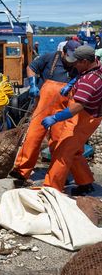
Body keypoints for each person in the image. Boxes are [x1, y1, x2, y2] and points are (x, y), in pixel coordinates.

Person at [11, 40, 87, 185]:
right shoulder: (50, 57)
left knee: (59, 141)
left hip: (63, 110)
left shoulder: (79, 64)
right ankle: (21, 170)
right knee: (33, 136)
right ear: (64, 52)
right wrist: (33, 85)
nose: (72, 63)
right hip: (43, 106)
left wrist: (72, 84)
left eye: (74, 60)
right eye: (69, 58)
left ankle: (58, 175)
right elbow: (31, 67)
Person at [42, 45, 102, 195]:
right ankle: (85, 182)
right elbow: (85, 76)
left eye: (76, 62)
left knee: (62, 152)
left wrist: (55, 118)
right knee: (75, 151)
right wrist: (73, 81)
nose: (73, 65)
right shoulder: (96, 68)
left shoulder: (90, 81)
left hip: (85, 119)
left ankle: (50, 190)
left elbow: (77, 107)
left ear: (85, 61)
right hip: (89, 116)